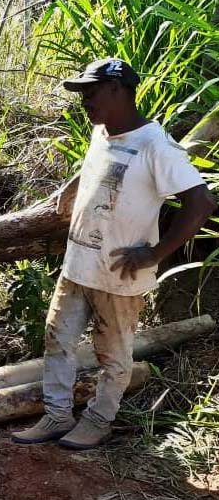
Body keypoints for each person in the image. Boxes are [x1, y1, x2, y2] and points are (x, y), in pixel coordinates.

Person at [12, 58, 216, 450]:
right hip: (77, 268)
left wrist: (156, 253)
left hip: (118, 275)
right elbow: (93, 174)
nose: (84, 100)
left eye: (91, 92)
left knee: (113, 355)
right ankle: (56, 415)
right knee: (58, 341)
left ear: (118, 90)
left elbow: (201, 201)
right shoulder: (102, 132)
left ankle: (99, 420)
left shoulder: (156, 145)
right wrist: (68, 195)